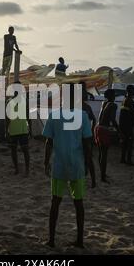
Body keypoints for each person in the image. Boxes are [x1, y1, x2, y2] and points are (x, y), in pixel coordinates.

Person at [43, 84, 93, 248]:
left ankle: (51, 240)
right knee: (78, 203)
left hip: (59, 165)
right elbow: (87, 143)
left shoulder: (54, 115)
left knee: (55, 202)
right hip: (77, 164)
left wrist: (45, 161)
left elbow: (48, 142)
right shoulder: (83, 116)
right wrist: (87, 163)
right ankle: (79, 240)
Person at [7, 81, 30, 176]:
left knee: (23, 150)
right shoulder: (10, 101)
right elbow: (7, 117)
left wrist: (30, 128)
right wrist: (6, 130)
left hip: (21, 129)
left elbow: (28, 115)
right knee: (15, 150)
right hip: (15, 129)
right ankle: (18, 169)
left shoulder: (24, 100)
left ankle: (25, 170)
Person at [95, 89, 118, 183]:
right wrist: (118, 130)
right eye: (114, 94)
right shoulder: (113, 105)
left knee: (101, 153)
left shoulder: (104, 103)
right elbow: (112, 119)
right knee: (104, 154)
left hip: (97, 128)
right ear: (112, 96)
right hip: (104, 129)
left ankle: (102, 173)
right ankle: (102, 177)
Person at [119, 85, 134, 165]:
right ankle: (128, 160)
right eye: (133, 90)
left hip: (123, 123)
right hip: (127, 124)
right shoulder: (130, 100)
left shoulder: (124, 99)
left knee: (124, 142)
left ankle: (122, 158)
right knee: (129, 142)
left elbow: (128, 113)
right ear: (131, 91)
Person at [80, 82, 97, 188]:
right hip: (80, 135)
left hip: (84, 136)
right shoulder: (83, 107)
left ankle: (93, 180)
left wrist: (90, 131)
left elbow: (94, 119)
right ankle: (92, 180)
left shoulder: (86, 107)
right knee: (86, 157)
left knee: (88, 157)